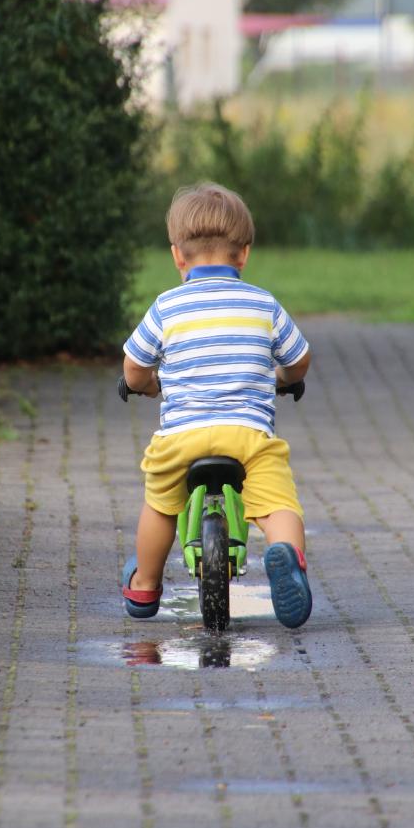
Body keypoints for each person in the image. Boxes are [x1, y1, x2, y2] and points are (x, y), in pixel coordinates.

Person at [121, 182, 312, 628]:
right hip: (248, 437)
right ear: (243, 254)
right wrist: (285, 378)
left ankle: (145, 585)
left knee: (160, 505)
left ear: (177, 256)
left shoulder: (166, 307)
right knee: (279, 504)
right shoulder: (263, 304)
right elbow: (299, 359)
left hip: (181, 438)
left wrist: (148, 386)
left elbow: (133, 367)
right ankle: (288, 558)